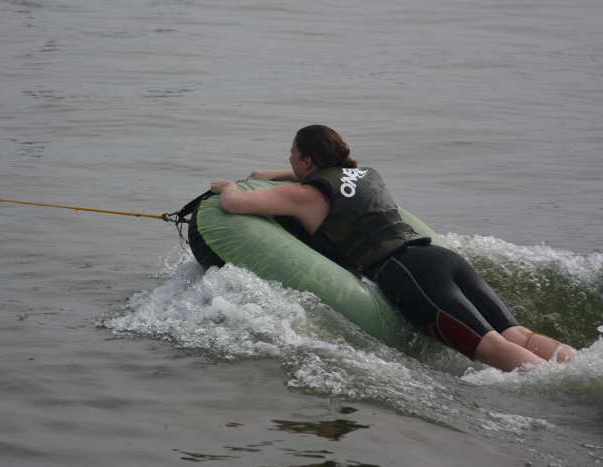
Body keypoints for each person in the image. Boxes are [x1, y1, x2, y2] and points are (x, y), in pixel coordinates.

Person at [210, 125, 575, 372]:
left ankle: (568, 391)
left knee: (490, 346)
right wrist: (274, 173)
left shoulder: (304, 195)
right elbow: (328, 177)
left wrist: (228, 185)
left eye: (292, 155)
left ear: (307, 161)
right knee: (517, 335)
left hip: (408, 272)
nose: (289, 160)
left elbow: (233, 206)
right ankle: (576, 366)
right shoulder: (365, 174)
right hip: (439, 257)